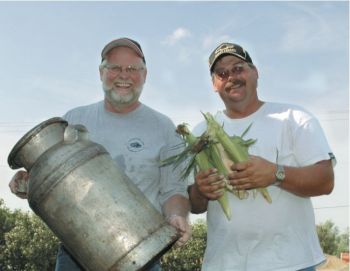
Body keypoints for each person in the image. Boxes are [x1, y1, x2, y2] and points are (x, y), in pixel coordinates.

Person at [9, 37, 191, 271]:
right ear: (101, 73)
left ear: (144, 75)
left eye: (132, 68)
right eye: (114, 67)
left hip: (144, 252)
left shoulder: (164, 127)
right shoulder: (74, 120)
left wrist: (177, 216)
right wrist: (28, 183)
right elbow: (51, 182)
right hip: (74, 257)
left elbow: (173, 189)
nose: (123, 75)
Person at [188, 42, 335, 271]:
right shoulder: (201, 133)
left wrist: (276, 174)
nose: (231, 77)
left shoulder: (294, 118)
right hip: (224, 264)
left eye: (239, 68)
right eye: (222, 73)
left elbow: (325, 181)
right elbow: (195, 206)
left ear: (255, 72)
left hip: (291, 263)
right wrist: (200, 191)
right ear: (214, 84)